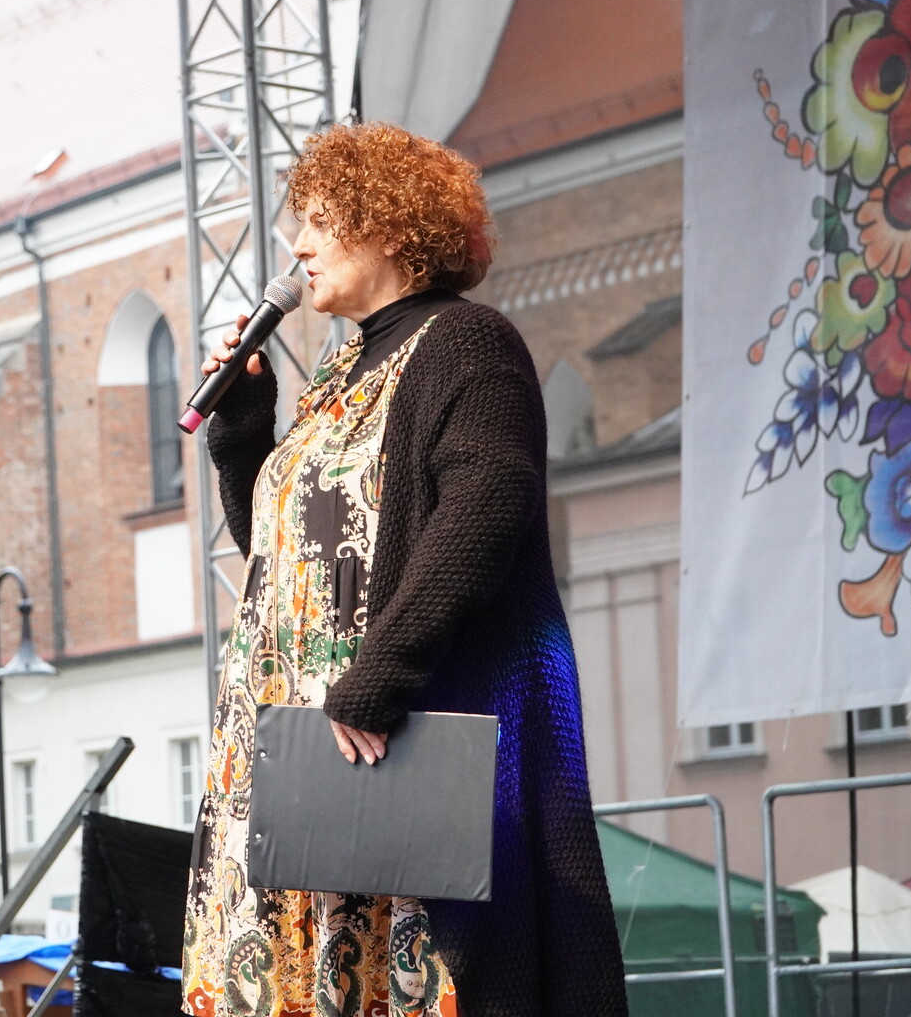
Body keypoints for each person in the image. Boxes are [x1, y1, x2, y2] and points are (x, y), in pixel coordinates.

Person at [181, 124, 627, 1017]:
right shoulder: (342, 369)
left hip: (382, 739)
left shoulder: (464, 343)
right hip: (292, 745)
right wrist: (244, 433)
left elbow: (485, 507)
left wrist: (380, 673)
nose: (296, 246)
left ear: (387, 225)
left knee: (407, 976)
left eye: (317, 221)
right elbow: (285, 563)